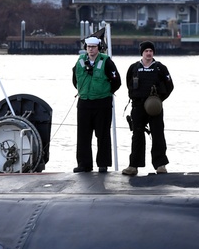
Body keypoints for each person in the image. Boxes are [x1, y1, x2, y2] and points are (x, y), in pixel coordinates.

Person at [71, 35, 121, 173]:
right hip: (84, 102)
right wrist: (82, 90)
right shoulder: (80, 61)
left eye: (93, 47)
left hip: (102, 102)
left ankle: (103, 164)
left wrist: (105, 92)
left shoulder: (106, 61)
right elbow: (74, 78)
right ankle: (84, 164)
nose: (91, 49)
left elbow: (116, 81)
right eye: (88, 47)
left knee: (103, 134)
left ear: (99, 48)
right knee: (83, 135)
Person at [123, 41, 174, 176]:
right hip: (138, 106)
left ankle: (160, 164)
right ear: (142, 52)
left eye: (151, 51)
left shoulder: (160, 68)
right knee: (137, 134)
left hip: (154, 107)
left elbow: (170, 86)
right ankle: (133, 165)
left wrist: (158, 100)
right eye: (146, 51)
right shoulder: (134, 68)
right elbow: (128, 84)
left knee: (158, 134)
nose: (149, 53)